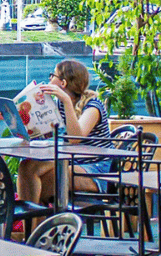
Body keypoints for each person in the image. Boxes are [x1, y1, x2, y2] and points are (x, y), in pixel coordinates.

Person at [16, 59, 111, 203]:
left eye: (52, 75)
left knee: (41, 181)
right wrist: (13, 117)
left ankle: (34, 224)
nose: (49, 79)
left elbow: (75, 138)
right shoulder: (58, 104)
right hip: (68, 160)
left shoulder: (93, 106)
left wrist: (66, 101)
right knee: (27, 167)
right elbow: (42, 134)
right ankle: (33, 225)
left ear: (63, 83)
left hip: (95, 169)